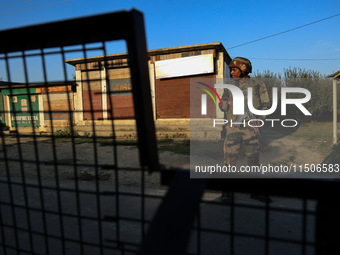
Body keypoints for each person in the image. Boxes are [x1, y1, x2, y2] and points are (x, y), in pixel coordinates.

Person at [219, 57, 272, 203]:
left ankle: (256, 191)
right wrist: (228, 103)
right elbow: (221, 105)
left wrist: (259, 120)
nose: (232, 72)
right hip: (233, 128)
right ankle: (227, 192)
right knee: (230, 160)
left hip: (251, 129)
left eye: (234, 69)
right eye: (230, 70)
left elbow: (266, 105)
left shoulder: (257, 84)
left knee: (253, 160)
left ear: (244, 70)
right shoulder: (229, 86)